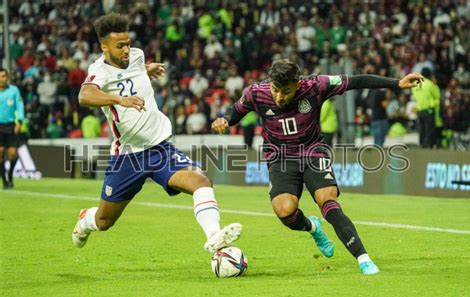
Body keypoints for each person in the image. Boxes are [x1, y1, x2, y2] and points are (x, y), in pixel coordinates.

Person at [212, 59, 423, 275]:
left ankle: (363, 258)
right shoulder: (255, 92)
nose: (279, 96)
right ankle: (313, 227)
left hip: (313, 152)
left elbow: (355, 81)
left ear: (297, 84)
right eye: (275, 89)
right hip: (281, 158)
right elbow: (236, 110)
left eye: (285, 91)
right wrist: (225, 119)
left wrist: (396, 83)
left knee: (328, 200)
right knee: (285, 211)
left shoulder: (316, 86)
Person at [72, 13, 242, 255]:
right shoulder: (99, 71)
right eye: (119, 46)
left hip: (160, 148)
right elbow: (85, 96)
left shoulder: (137, 56)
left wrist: (147, 69)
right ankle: (84, 220)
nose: (126, 50)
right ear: (104, 47)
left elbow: (134, 70)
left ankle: (214, 237)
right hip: (128, 156)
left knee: (201, 181)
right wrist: (120, 99)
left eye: (128, 44)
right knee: (104, 221)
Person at [0, 68, 25, 189]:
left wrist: (19, 121)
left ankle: (10, 174)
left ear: (7, 77)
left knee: (13, 154)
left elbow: (19, 106)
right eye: (0, 76)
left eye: (4, 76)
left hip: (10, 125)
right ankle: (4, 180)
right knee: (0, 153)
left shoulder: (14, 90)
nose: (2, 79)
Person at [411, 68, 440, 148]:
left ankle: (421, 145)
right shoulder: (430, 84)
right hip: (429, 110)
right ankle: (428, 147)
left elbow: (414, 96)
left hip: (419, 110)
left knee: (421, 130)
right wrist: (433, 104)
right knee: (429, 130)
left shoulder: (415, 84)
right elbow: (437, 97)